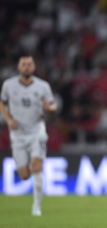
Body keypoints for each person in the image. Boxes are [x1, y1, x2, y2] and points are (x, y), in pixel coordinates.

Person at [0, 56, 57, 216]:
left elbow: (52, 105)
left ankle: (36, 207)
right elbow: (2, 103)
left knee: (37, 167)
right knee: (25, 175)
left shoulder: (43, 86)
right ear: (18, 67)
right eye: (23, 64)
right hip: (17, 133)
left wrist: (50, 108)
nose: (26, 67)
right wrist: (9, 119)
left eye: (30, 64)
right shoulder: (8, 85)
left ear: (34, 68)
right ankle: (33, 173)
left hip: (36, 131)